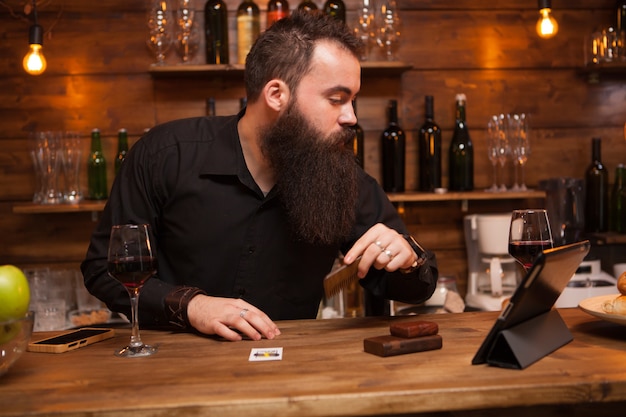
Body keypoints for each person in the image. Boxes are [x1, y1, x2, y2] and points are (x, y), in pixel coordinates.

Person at [81, 10, 438, 342]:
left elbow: (414, 286)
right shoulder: (165, 155)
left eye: (353, 100)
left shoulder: (342, 176)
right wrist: (193, 306)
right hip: (174, 372)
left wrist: (408, 259)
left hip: (289, 375)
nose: (351, 117)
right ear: (276, 94)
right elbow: (104, 270)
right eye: (337, 99)